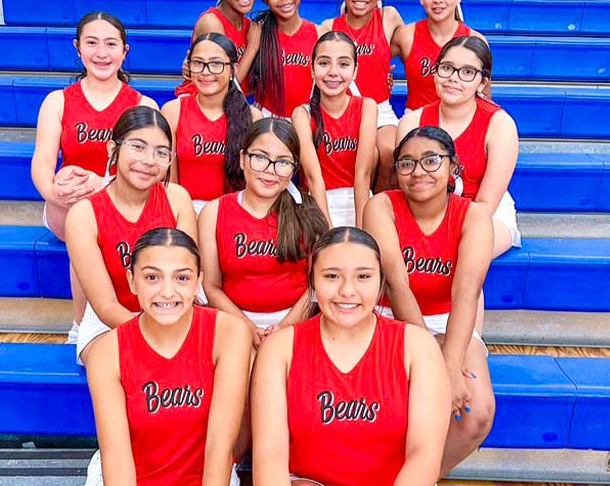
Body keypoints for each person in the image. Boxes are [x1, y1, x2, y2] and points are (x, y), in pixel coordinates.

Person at [251, 226, 451, 485]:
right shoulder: (280, 348)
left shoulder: (417, 346)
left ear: (381, 282)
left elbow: (424, 456)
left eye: (363, 277)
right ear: (312, 281)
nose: (347, 291)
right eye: (332, 276)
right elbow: (270, 459)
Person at [364, 126, 495, 477]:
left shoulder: (474, 216)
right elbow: (397, 285)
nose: (418, 171)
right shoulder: (381, 206)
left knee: (476, 411)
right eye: (406, 163)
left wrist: (450, 368)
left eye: (431, 160)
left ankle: (419, 477)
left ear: (453, 168)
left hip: (450, 321)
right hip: (390, 318)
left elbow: (465, 294)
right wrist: (431, 358)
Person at [85, 227, 252, 486]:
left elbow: (220, 444)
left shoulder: (228, 333)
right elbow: (117, 457)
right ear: (131, 281)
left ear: (198, 282)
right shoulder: (106, 352)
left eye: (182, 278)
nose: (167, 292)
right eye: (152, 277)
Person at [31, 11, 158, 337]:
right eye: (92, 43)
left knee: (93, 220)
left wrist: (103, 184)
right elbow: (42, 164)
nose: (101, 53)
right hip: (66, 202)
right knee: (83, 219)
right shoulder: (57, 101)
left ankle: (99, 320)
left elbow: (154, 172)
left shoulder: (143, 105)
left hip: (123, 197)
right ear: (78, 48)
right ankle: (81, 324)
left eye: (111, 44)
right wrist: (55, 192)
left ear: (125, 51)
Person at [65, 106, 196, 366]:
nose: (149, 160)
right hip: (110, 322)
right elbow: (106, 306)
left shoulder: (178, 198)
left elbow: (185, 280)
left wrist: (171, 331)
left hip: (173, 313)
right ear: (113, 149)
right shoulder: (84, 215)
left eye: (161, 153)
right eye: (138, 146)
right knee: (128, 367)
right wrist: (155, 338)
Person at [198, 118, 328, 349]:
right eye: (260, 157)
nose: (270, 170)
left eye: (283, 162)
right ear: (241, 159)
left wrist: (285, 328)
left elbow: (316, 284)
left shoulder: (307, 212)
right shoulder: (214, 212)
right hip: (234, 325)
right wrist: (248, 329)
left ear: (294, 168)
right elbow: (211, 286)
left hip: (297, 323)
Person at [396, 36, 520, 258]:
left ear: (482, 82)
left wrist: (443, 237)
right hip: (424, 212)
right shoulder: (412, 121)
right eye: (447, 68)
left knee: (466, 253)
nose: (454, 78)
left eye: (467, 72)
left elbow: (486, 204)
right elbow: (407, 188)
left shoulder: (500, 124)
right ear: (435, 72)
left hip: (484, 214)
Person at [321, 0, 405, 192]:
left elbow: (407, 51)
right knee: (367, 155)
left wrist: (385, 73)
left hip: (379, 109)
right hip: (342, 111)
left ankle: (377, 206)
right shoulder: (329, 28)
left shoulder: (389, 18)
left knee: (390, 150)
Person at [162, 33, 262, 214]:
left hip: (234, 213)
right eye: (198, 63)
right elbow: (170, 182)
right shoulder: (173, 111)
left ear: (232, 69)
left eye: (216, 64)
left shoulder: (253, 117)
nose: (206, 72)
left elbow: (254, 185)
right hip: (185, 211)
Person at [292, 31, 377, 228]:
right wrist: (327, 230)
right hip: (316, 203)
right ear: (312, 69)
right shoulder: (302, 114)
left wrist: (361, 230)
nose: (333, 72)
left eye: (343, 64)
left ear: (355, 71)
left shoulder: (367, 106)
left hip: (358, 201)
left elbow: (363, 174)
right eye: (323, 63)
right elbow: (313, 178)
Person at [392, 0, 488, 112]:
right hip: (417, 125)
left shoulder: (475, 40)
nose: (438, 0)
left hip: (459, 122)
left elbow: (485, 97)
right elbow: (369, 62)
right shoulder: (406, 36)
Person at [243, 0, 326, 119]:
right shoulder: (258, 32)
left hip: (307, 119)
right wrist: (252, 48)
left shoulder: (319, 33)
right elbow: (238, 84)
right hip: (267, 118)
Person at [176, 0, 258, 95]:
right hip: (200, 105)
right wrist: (252, 48)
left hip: (231, 105)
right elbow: (225, 85)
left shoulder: (249, 27)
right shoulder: (212, 22)